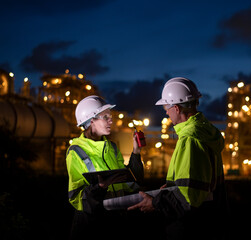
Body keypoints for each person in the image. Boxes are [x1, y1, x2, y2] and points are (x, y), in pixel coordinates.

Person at [128, 77, 228, 240]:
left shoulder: (190, 139)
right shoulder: (205, 133)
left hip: (191, 229)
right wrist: (171, 188)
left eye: (166, 108)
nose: (166, 112)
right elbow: (198, 184)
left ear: (176, 108)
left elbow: (187, 198)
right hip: (209, 220)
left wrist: (155, 203)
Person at [66, 95, 143, 240]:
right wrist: (100, 187)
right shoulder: (76, 152)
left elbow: (131, 184)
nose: (111, 120)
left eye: (110, 116)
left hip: (116, 221)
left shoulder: (112, 147)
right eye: (105, 117)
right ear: (91, 121)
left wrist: (136, 153)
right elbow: (76, 198)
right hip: (91, 226)